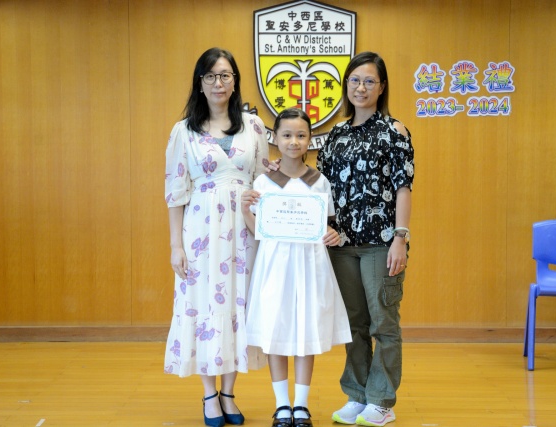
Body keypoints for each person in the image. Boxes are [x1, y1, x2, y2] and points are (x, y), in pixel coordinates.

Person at [163, 47, 269, 427]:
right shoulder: (183, 131)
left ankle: (228, 393)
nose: (218, 83)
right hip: (201, 233)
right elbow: (175, 191)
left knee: (238, 304)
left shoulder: (254, 127)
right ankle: (209, 394)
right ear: (200, 83)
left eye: (225, 75)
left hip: (244, 232)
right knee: (203, 305)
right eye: (210, 76)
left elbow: (263, 182)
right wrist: (176, 246)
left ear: (235, 81)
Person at [318, 52, 415, 427]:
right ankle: (357, 396)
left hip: (381, 244)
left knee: (383, 323)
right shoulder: (336, 135)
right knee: (354, 325)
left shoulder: (395, 131)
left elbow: (403, 188)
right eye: (355, 80)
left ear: (382, 87)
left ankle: (382, 401)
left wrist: (400, 238)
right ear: (347, 85)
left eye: (369, 81)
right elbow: (320, 188)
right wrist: (280, 172)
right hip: (342, 246)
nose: (361, 87)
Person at [241, 108, 352, 427]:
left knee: (306, 330)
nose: (294, 141)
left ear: (309, 139)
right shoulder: (263, 181)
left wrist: (332, 234)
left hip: (310, 265)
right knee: (275, 330)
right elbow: (258, 230)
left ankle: (301, 405)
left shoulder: (319, 181)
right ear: (275, 138)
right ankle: (282, 405)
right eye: (287, 135)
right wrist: (246, 209)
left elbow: (325, 225)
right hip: (274, 266)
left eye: (301, 135)